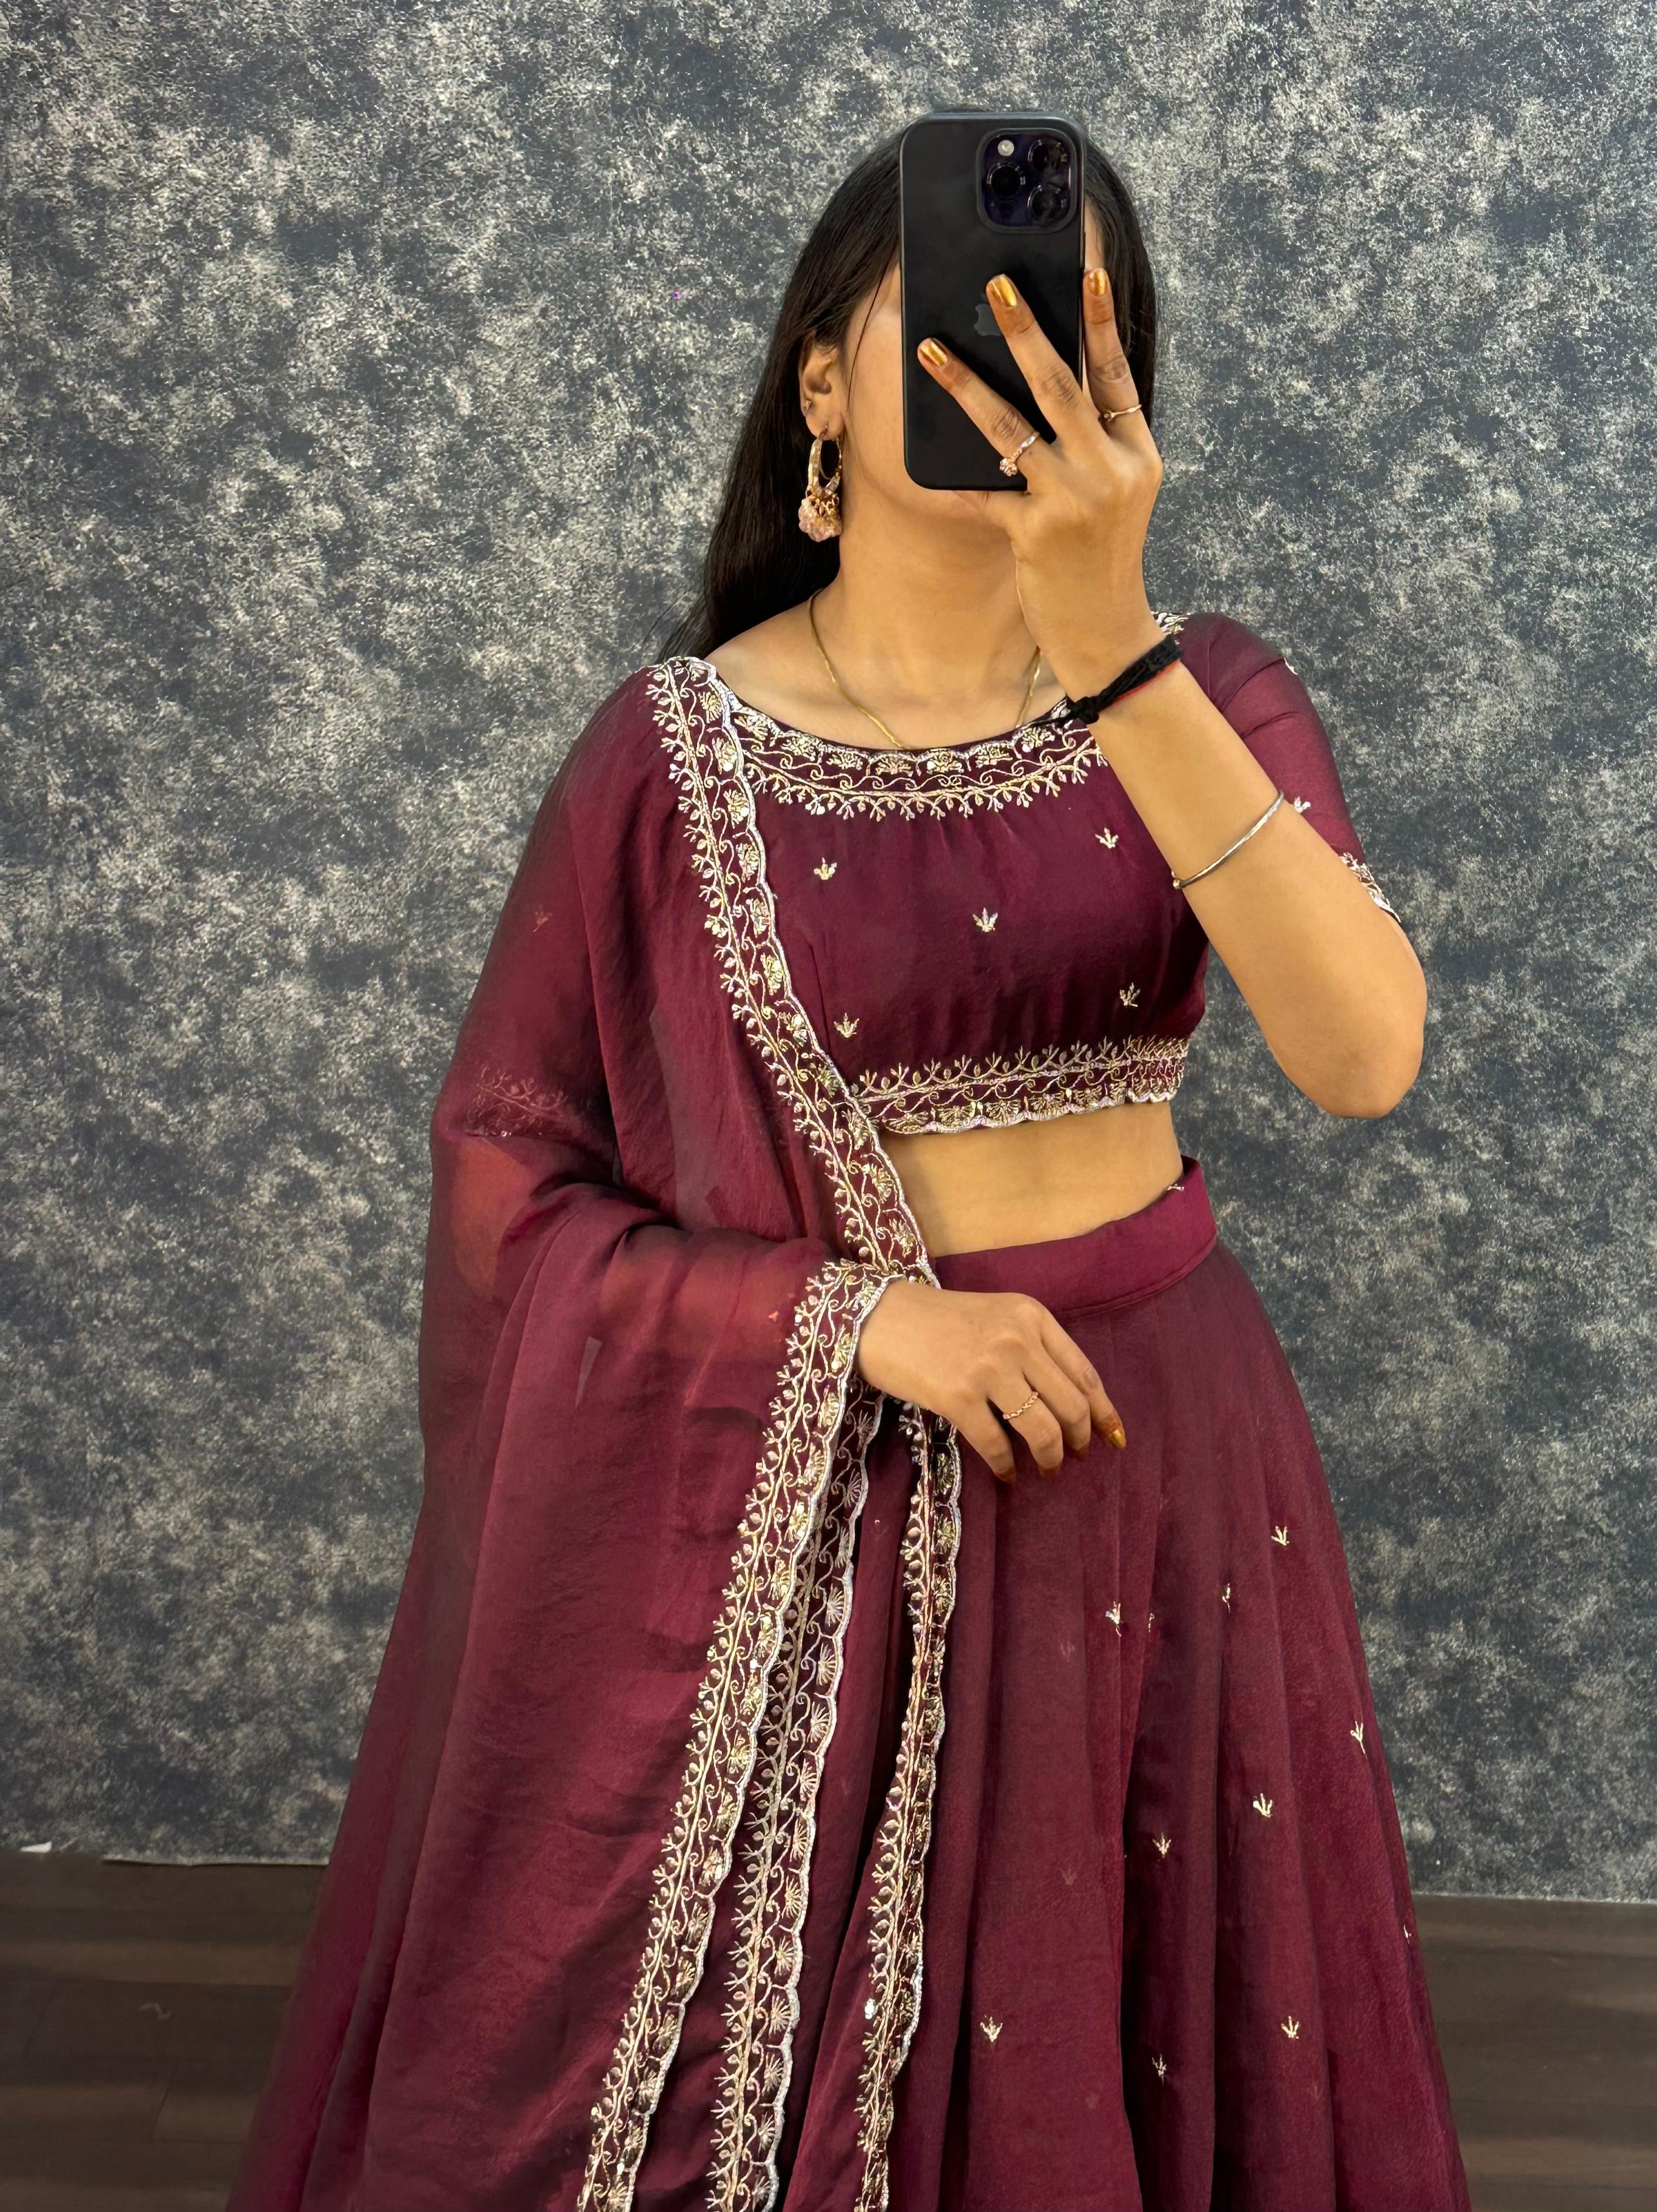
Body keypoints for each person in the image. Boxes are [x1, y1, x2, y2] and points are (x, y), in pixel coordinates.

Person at [229, 125, 1469, 2212]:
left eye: (1068, 332)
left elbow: (1362, 1056)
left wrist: (1115, 646)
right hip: (841, 1486)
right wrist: (856, 1322)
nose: (1016, 368)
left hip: (1159, 1462)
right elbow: (511, 1194)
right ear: (823, 375)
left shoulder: (1207, 689)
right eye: (960, 321)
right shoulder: (672, 755)